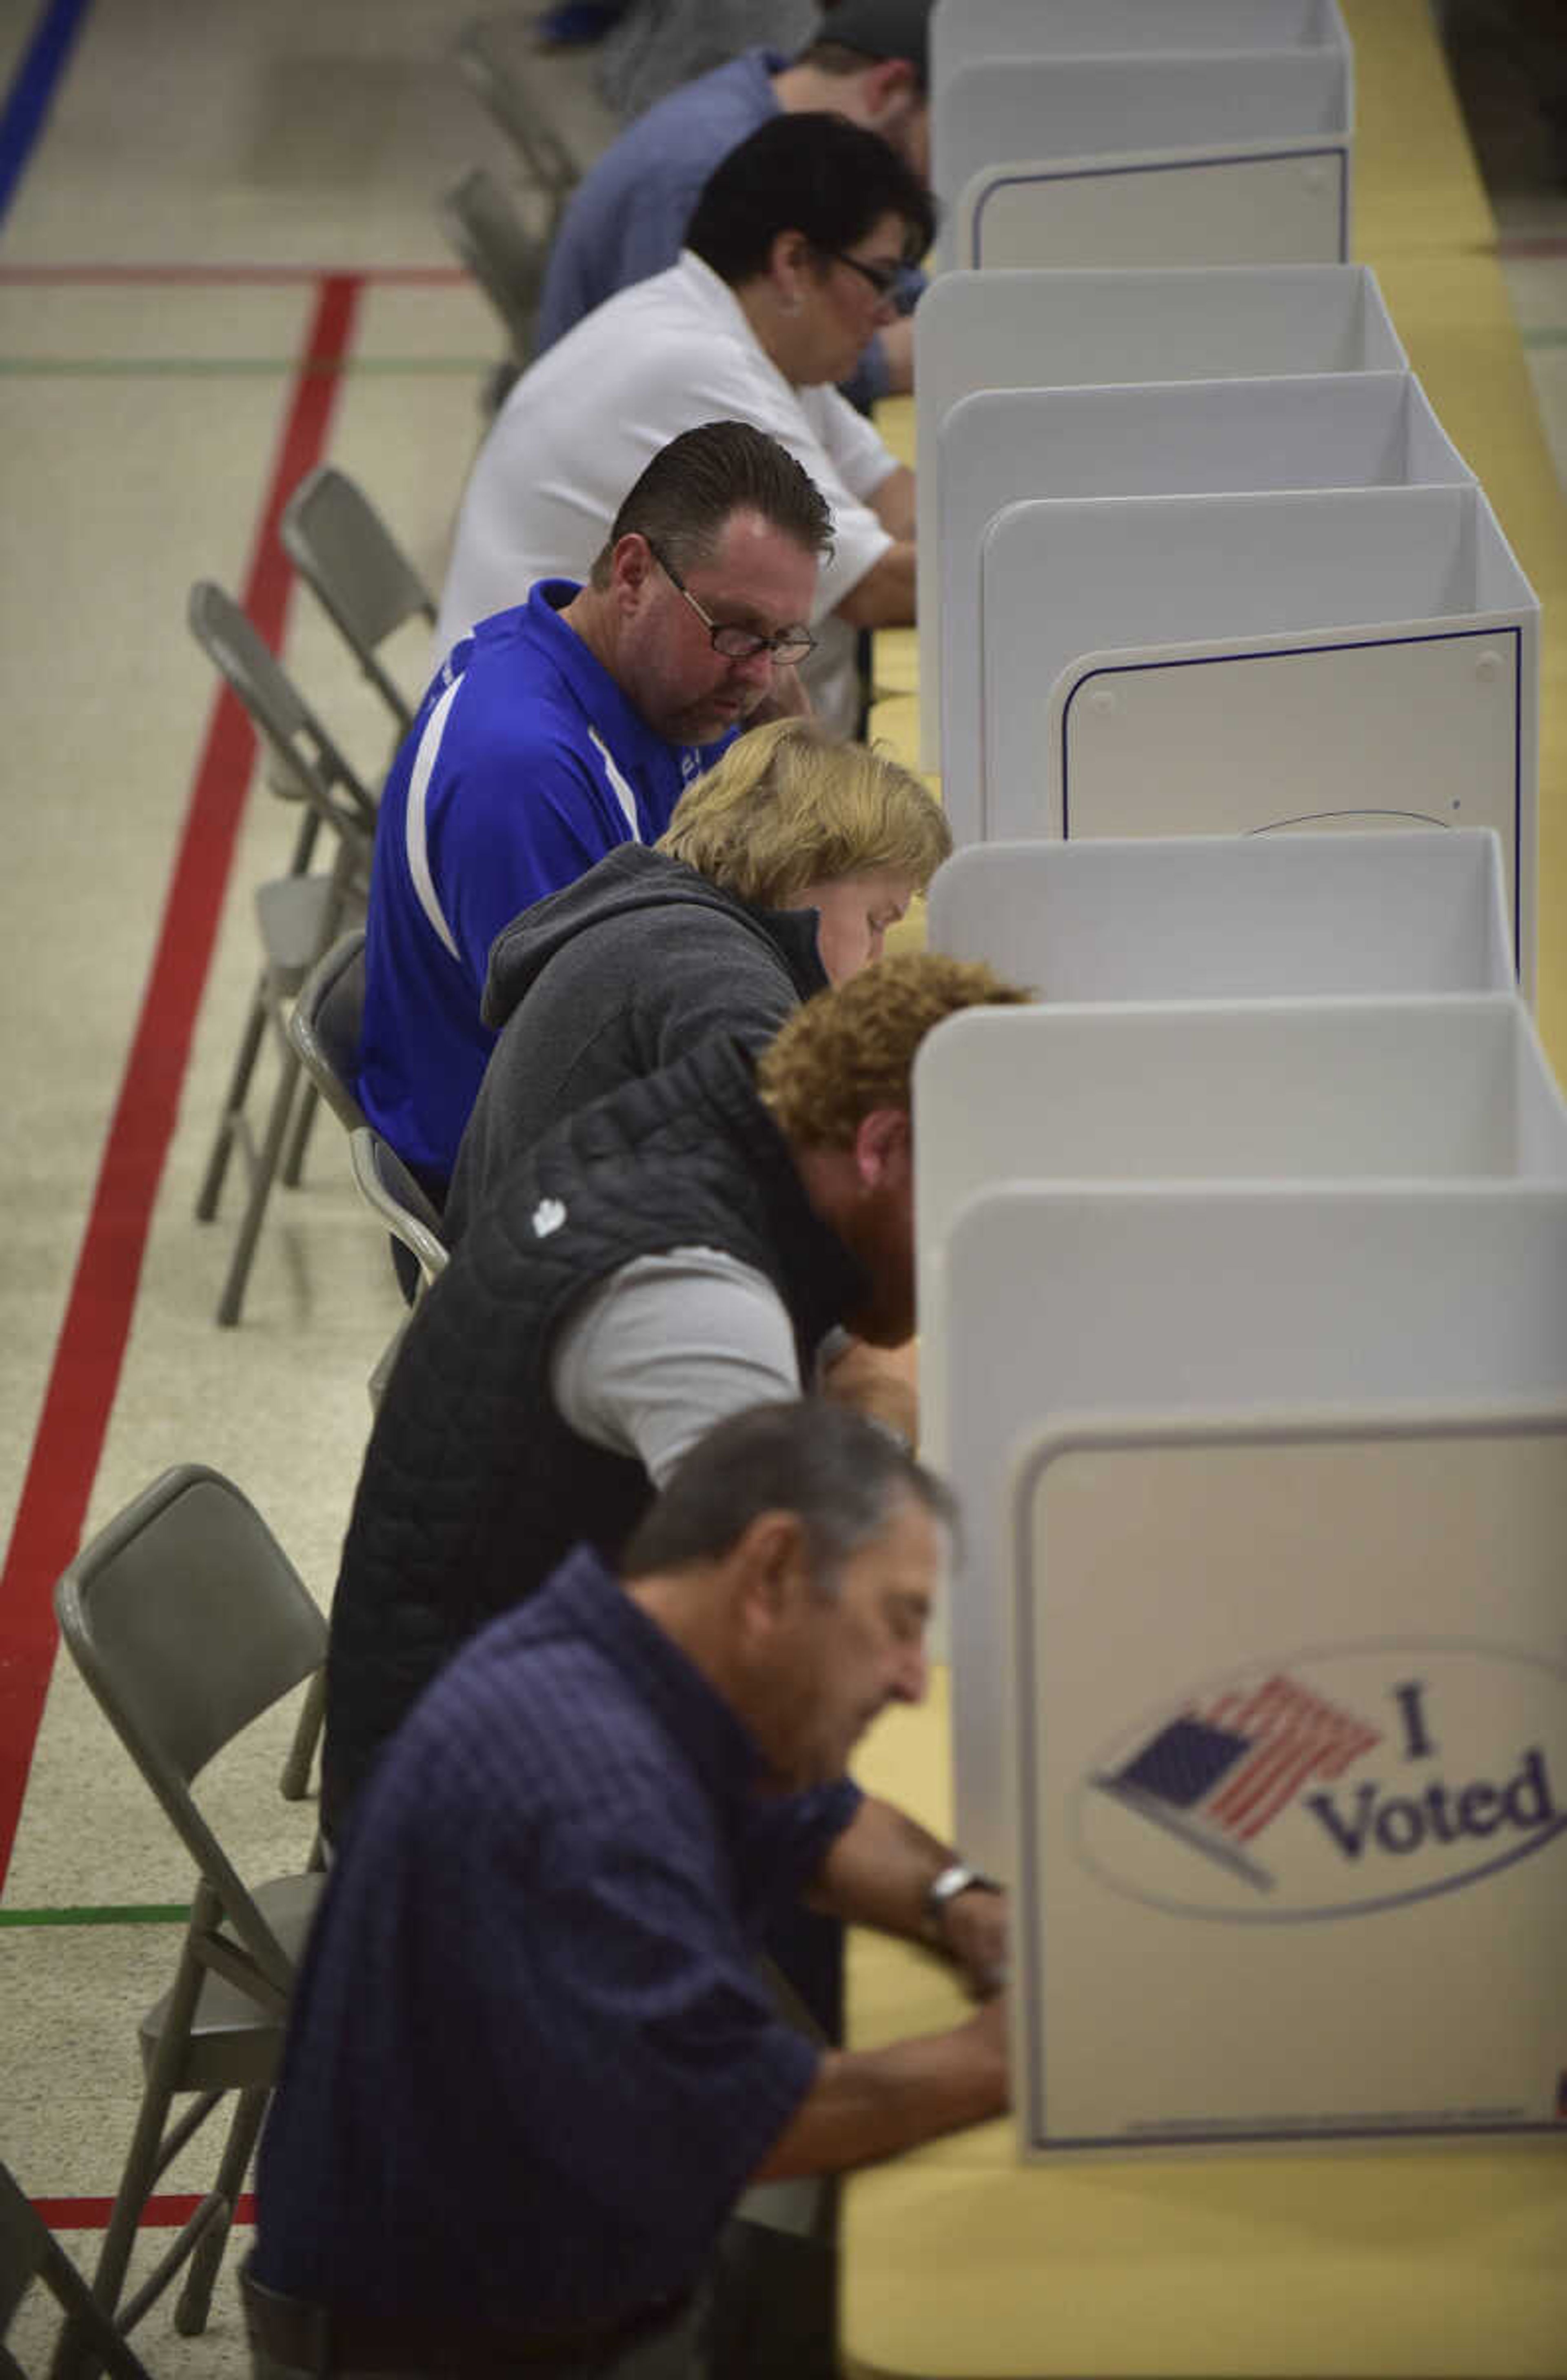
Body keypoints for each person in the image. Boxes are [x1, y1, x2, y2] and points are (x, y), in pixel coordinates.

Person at [246, 1402, 1010, 2380]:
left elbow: (818, 1820)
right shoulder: (584, 1794)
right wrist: (1009, 2056)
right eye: (899, 1621)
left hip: (560, 2267)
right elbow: (743, 2122)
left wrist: (958, 1901)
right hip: (451, 2344)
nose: (911, 1679)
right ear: (772, 1572)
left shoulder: (630, 1655)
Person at [322, 952, 1028, 1840]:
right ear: (882, 1147)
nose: (957, 1259)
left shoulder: (704, 1131)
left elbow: (857, 1383)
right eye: (962, 1206)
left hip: (475, 1740)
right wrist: (884, 1440)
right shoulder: (694, 1296)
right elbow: (808, 1623)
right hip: (468, 1852)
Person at [355, 421, 833, 1201]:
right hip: (534, 1205)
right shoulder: (522, 775)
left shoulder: (667, 692)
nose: (755, 673)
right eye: (736, 629)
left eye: (781, 640)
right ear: (634, 572)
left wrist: (790, 735)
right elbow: (584, 1077)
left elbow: (784, 866)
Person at [433, 112, 934, 737]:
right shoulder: (699, 367)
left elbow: (897, 501)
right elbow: (877, 587)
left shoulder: (743, 335)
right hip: (544, 748)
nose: (889, 315)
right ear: (794, 263)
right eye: (880, 279)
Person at [443, 716, 951, 1236]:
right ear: (802, 869)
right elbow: (808, 1195)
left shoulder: (672, 925)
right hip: (564, 1295)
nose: (879, 958)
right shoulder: (712, 973)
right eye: (876, 922)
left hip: (544, 1261)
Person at [533, 1, 933, 409]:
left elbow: (878, 273)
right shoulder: (701, 168)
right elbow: (688, 376)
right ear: (887, 88)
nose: (931, 177)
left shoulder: (777, 120)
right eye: (937, 138)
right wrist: (880, 364)